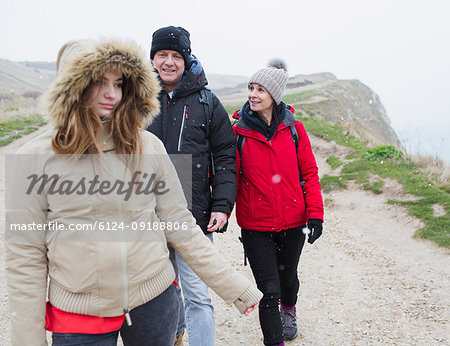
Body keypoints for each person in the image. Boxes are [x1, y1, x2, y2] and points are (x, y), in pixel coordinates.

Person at [5, 38, 262, 346]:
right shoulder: (34, 157)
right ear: (71, 85)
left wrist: (234, 285)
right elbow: (25, 257)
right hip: (80, 315)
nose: (112, 94)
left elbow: (180, 225)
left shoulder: (148, 146)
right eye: (98, 82)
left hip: (154, 303)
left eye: (119, 82)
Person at [147, 26, 236, 346]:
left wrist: (223, 206)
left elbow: (226, 155)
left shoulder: (207, 102)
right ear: (152, 58)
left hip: (194, 218)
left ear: (186, 59)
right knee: (161, 294)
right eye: (162, 55)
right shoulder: (136, 101)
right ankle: (175, 335)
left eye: (176, 55)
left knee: (198, 295)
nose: (169, 62)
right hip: (148, 219)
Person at [233, 59, 324, 346]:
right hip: (255, 225)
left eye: (260, 89)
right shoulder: (238, 134)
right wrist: (219, 210)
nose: (253, 94)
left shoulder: (295, 130)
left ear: (275, 95)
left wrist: (316, 214)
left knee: (288, 281)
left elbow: (309, 174)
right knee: (267, 291)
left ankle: (290, 310)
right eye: (251, 88)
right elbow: (228, 177)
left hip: (293, 222)